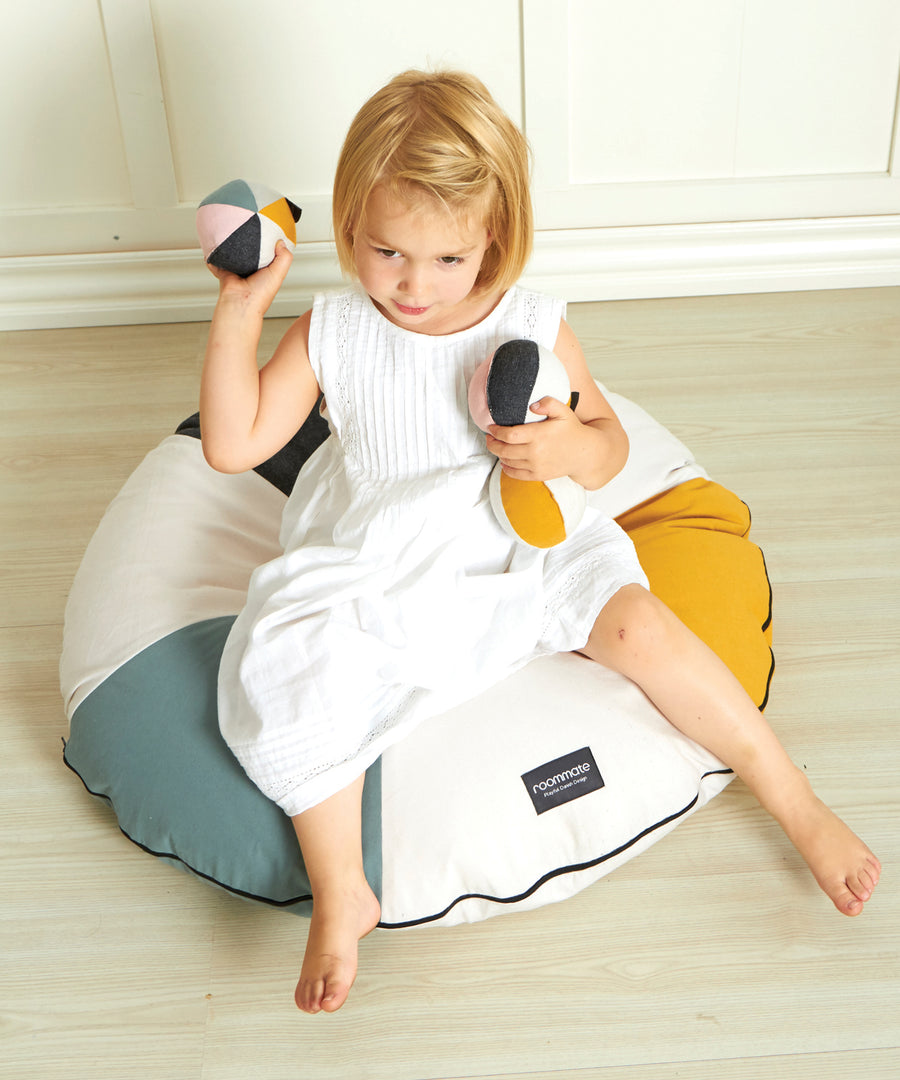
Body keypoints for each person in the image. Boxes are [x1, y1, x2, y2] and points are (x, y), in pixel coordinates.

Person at [199, 70, 880, 1015]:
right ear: (350, 224)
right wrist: (242, 305)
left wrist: (562, 443)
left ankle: (791, 795)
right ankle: (340, 887)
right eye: (386, 250)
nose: (413, 286)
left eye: (449, 261)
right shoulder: (339, 329)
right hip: (386, 549)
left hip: (520, 529)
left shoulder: (530, 322)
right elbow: (233, 445)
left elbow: (607, 452)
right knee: (279, 662)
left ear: (496, 237)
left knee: (642, 624)